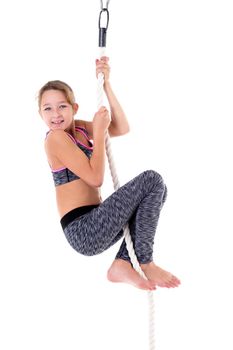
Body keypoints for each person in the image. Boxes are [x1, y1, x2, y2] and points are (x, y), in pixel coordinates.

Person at [38, 56, 180, 291]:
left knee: (159, 190)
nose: (55, 114)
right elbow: (95, 178)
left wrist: (106, 86)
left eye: (62, 106)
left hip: (98, 219)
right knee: (151, 180)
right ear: (40, 114)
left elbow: (121, 128)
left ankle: (123, 262)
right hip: (83, 229)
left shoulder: (80, 128)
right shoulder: (56, 138)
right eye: (48, 108)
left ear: (74, 108)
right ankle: (145, 261)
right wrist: (101, 129)